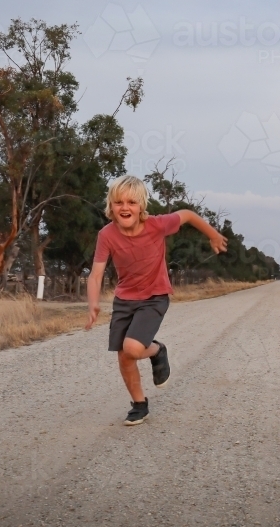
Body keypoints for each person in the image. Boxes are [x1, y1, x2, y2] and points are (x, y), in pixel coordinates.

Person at [85, 175, 228, 425]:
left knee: (132, 348)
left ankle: (157, 349)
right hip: (124, 300)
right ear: (111, 206)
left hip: (154, 296)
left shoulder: (157, 225)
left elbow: (187, 214)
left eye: (131, 202)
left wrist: (213, 235)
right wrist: (93, 303)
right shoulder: (106, 235)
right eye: (119, 202)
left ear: (141, 206)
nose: (125, 207)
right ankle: (139, 404)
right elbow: (96, 274)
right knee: (124, 356)